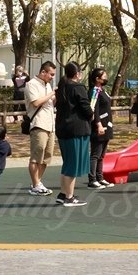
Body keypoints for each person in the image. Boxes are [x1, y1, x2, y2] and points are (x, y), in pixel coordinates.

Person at [54, 61, 92, 207]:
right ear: (77, 74)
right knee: (73, 164)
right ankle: (69, 197)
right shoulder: (78, 87)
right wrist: (91, 114)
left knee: (68, 162)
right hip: (77, 129)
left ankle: (63, 193)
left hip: (63, 129)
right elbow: (85, 107)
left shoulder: (62, 88)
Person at [24, 61, 57, 196]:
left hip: (50, 124)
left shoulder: (47, 85)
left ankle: (37, 183)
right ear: (43, 72)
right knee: (36, 156)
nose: (52, 77)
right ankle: (36, 184)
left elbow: (50, 103)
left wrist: (56, 97)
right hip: (39, 124)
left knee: (46, 157)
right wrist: (51, 94)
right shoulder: (31, 84)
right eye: (51, 74)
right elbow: (36, 102)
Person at [87, 67, 113, 189]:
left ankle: (100, 177)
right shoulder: (95, 91)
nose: (106, 78)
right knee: (95, 153)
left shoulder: (102, 90)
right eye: (104, 76)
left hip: (107, 124)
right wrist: (98, 124)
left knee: (102, 154)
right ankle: (92, 179)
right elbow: (94, 109)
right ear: (97, 79)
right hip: (99, 125)